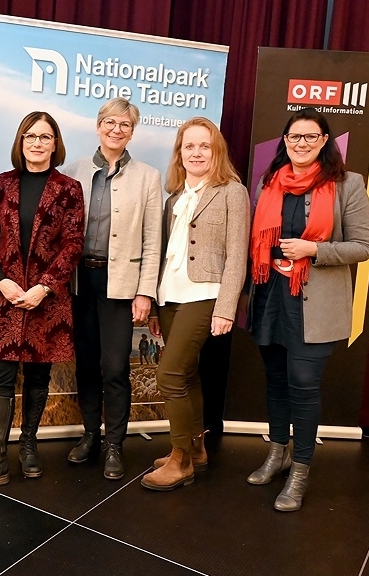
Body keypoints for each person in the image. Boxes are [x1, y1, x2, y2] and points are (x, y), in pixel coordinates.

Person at [246, 107, 369, 511]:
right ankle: (276, 453)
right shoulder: (272, 182)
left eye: (310, 137)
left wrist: (314, 249)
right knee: (276, 381)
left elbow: (363, 247)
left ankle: (300, 471)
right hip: (271, 296)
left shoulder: (348, 184)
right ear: (285, 142)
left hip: (315, 304)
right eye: (294, 137)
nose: (301, 144)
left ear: (324, 141)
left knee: (303, 385)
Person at [0, 112, 85, 492]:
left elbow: (73, 244)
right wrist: (2, 282)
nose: (37, 143)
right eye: (30, 136)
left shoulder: (69, 188)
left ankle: (28, 444)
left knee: (38, 376)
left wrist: (44, 287)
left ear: (55, 143)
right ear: (21, 141)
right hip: (4, 298)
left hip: (48, 300)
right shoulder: (0, 184)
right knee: (0, 379)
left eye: (45, 137)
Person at [142, 117, 250, 491]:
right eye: (189, 146)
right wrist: (156, 305)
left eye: (204, 145)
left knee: (169, 375)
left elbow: (238, 256)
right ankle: (197, 447)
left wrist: (226, 307)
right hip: (170, 296)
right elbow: (165, 254)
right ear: (180, 153)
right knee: (187, 375)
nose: (196, 152)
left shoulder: (232, 192)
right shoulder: (174, 198)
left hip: (205, 295)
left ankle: (180, 459)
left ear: (216, 150)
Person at [62, 97, 162, 480]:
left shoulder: (147, 177)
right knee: (86, 364)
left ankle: (115, 445)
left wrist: (145, 293)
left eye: (126, 125)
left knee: (116, 367)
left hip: (122, 284)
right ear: (98, 125)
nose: (117, 130)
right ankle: (90, 435)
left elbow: (153, 240)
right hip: (79, 281)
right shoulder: (73, 172)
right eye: (111, 123)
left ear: (133, 131)